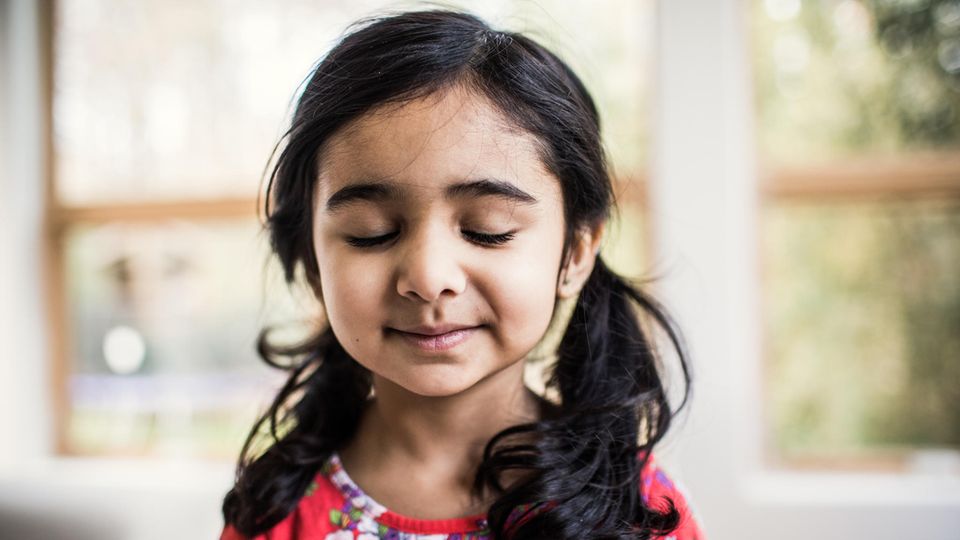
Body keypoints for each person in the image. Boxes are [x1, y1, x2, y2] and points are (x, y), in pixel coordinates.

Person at [221, 9, 703, 540]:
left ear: (576, 252)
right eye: (371, 232)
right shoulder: (275, 511)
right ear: (313, 262)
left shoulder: (635, 512)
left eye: (487, 229)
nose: (429, 278)